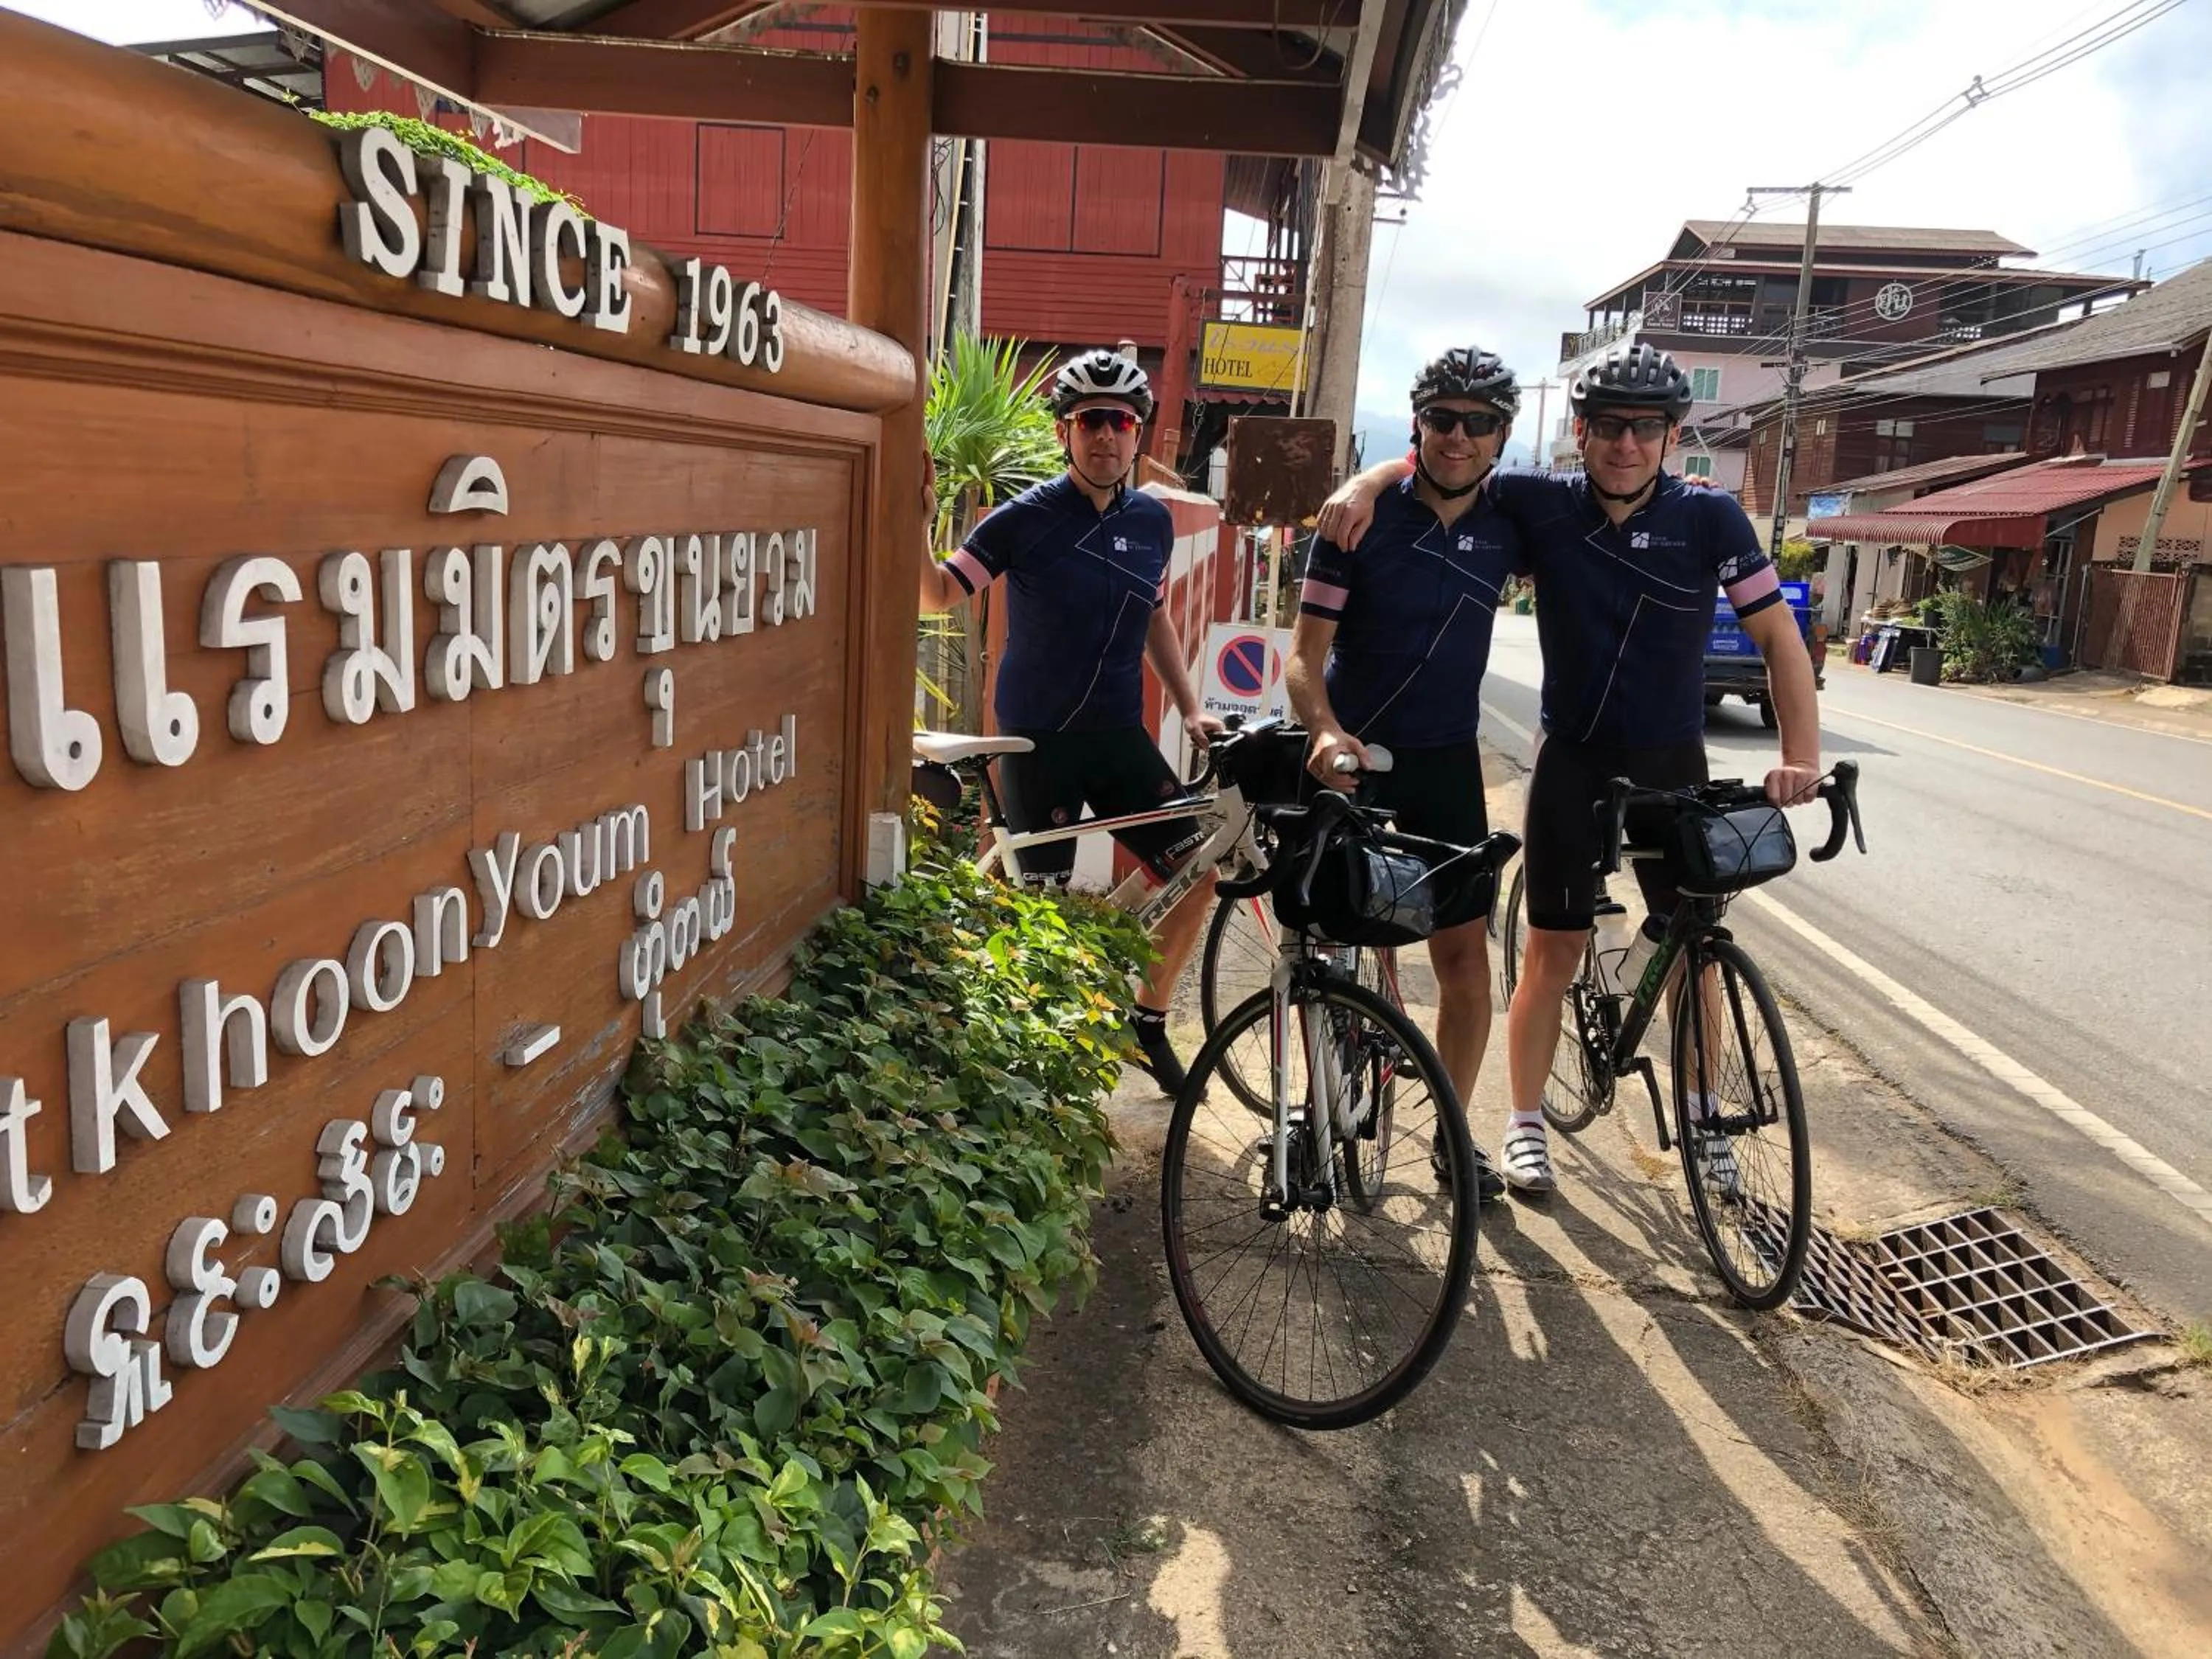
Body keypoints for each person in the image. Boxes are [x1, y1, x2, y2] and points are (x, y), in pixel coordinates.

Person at [1315, 342, 1822, 1197]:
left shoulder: (1712, 519)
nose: (1627, 445)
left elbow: (1779, 638)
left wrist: (1801, 758)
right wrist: (1365, 482)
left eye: (1647, 428)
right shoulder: (1537, 504)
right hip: (1574, 759)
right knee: (1553, 949)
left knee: (1695, 955)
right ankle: (1522, 1127)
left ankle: (1703, 1120)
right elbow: (1447, 457)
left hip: (1672, 760)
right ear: (1578, 432)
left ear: (1672, 435)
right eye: (1610, 427)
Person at [919, 347, 1225, 1092]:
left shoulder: (1151, 521)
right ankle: (1022, 1081)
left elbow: (1153, 616)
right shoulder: (1025, 519)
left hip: (1118, 736)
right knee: (1037, 922)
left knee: (1198, 870)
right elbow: (936, 594)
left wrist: (1189, 706)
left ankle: (1144, 1024)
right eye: (1090, 421)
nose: (1106, 437)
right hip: (1038, 742)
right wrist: (915, 520)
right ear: (1066, 431)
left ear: (1137, 433)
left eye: (1120, 422)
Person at [1288, 346, 1526, 1200]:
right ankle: (1317, 1110)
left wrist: (1375, 472)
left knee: (1465, 959)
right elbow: (1304, 658)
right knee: (1329, 947)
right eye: (1440, 420)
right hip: (1355, 759)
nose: (1458, 438)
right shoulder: (1357, 522)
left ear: (1504, 435)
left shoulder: (1514, 517)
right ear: (1419, 423)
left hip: (1446, 764)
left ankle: (1454, 1138)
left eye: (1480, 422)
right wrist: (1323, 732)